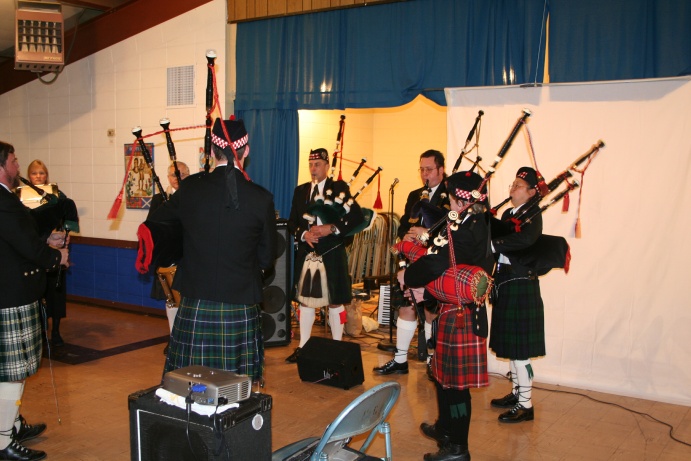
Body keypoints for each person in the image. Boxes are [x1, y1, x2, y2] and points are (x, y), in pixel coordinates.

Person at [145, 118, 277, 383]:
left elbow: (156, 225)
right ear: (246, 150)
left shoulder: (190, 189)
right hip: (240, 301)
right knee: (235, 386)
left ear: (213, 152)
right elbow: (267, 257)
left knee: (189, 380)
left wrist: (182, 254)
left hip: (196, 299)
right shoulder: (261, 198)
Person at [399, 171, 494, 461]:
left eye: (451, 199)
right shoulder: (467, 221)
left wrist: (408, 276)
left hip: (462, 316)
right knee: (443, 378)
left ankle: (458, 448)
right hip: (450, 311)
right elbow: (439, 252)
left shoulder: (468, 228)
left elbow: (436, 262)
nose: (449, 205)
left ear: (460, 201)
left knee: (457, 387)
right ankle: (446, 428)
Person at [0, 141, 70, 461]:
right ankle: (3, 440)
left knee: (14, 371)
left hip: (12, 294)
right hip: (10, 297)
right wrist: (55, 257)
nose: (18, 166)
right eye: (14, 161)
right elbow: (25, 246)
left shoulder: (7, 198)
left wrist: (46, 239)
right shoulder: (3, 200)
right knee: (11, 373)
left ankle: (12, 424)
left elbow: (18, 239)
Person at [285, 148, 364, 363]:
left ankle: (337, 348)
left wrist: (332, 228)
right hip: (307, 251)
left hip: (331, 251)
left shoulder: (338, 188)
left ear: (327, 166)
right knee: (305, 301)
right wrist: (304, 234)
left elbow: (356, 216)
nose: (313, 169)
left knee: (334, 301)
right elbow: (292, 222)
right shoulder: (301, 191)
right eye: (311, 165)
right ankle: (303, 347)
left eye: (318, 164)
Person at [374, 149, 449, 375]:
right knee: (406, 306)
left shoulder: (450, 195)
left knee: (431, 310)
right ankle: (400, 360)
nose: (424, 174)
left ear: (441, 170)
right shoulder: (415, 195)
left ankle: (432, 362)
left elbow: (451, 230)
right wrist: (405, 235)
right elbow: (404, 224)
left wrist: (426, 233)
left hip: (435, 260)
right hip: (412, 258)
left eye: (429, 169)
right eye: (422, 169)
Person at [488, 166, 545, 423]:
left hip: (521, 281)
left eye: (518, 186)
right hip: (505, 280)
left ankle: (526, 404)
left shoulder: (533, 213)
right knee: (512, 345)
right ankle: (516, 393)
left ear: (532, 192)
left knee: (521, 349)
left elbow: (526, 241)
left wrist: (495, 243)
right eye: (512, 184)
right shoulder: (509, 213)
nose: (512, 189)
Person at [146, 162, 190, 354]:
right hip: (168, 258)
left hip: (187, 258)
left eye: (181, 174)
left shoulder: (193, 198)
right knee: (170, 300)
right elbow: (151, 226)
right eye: (173, 175)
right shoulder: (159, 200)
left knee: (187, 301)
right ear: (168, 178)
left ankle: (188, 339)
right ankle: (174, 338)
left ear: (188, 175)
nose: (177, 178)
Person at [26, 160, 70, 347]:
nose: (38, 176)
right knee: (38, 293)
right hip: (35, 250)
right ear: (28, 176)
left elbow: (67, 217)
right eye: (34, 173)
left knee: (56, 292)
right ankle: (41, 331)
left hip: (56, 248)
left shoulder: (57, 194)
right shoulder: (20, 195)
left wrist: (65, 235)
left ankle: (56, 330)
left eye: (42, 173)